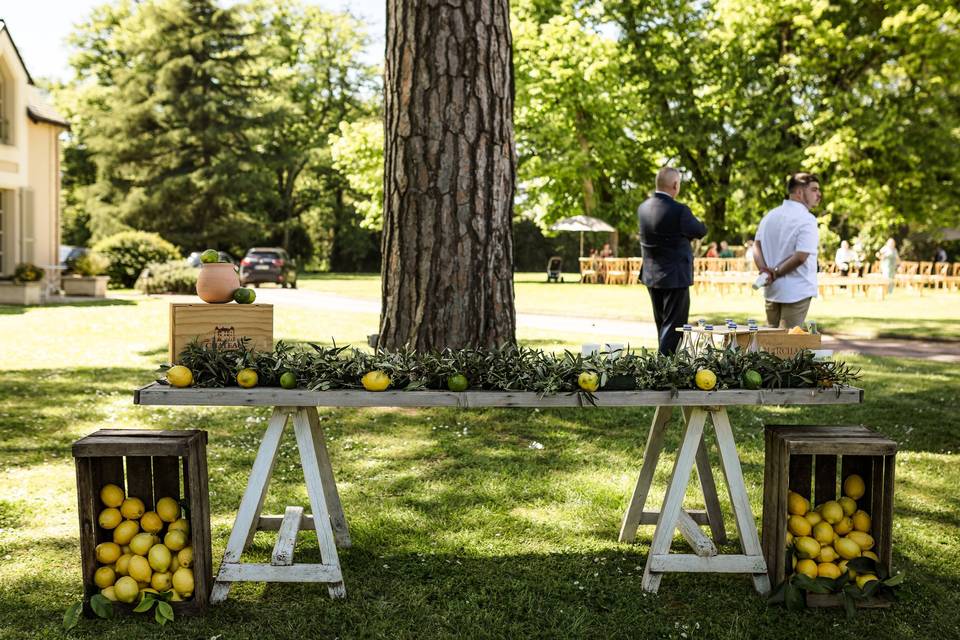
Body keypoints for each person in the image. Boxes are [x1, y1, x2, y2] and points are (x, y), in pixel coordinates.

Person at [637, 166, 708, 354]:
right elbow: (699, 230)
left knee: (661, 324)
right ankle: (665, 370)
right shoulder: (679, 211)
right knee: (674, 328)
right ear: (675, 185)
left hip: (652, 275)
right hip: (675, 276)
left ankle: (662, 366)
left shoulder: (643, 208)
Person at [752, 172, 822, 329]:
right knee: (788, 346)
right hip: (797, 291)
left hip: (771, 289)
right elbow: (801, 257)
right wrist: (774, 272)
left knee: (770, 344)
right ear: (799, 192)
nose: (819, 194)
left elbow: (756, 246)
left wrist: (765, 272)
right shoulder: (807, 219)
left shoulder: (770, 215)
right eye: (814, 189)